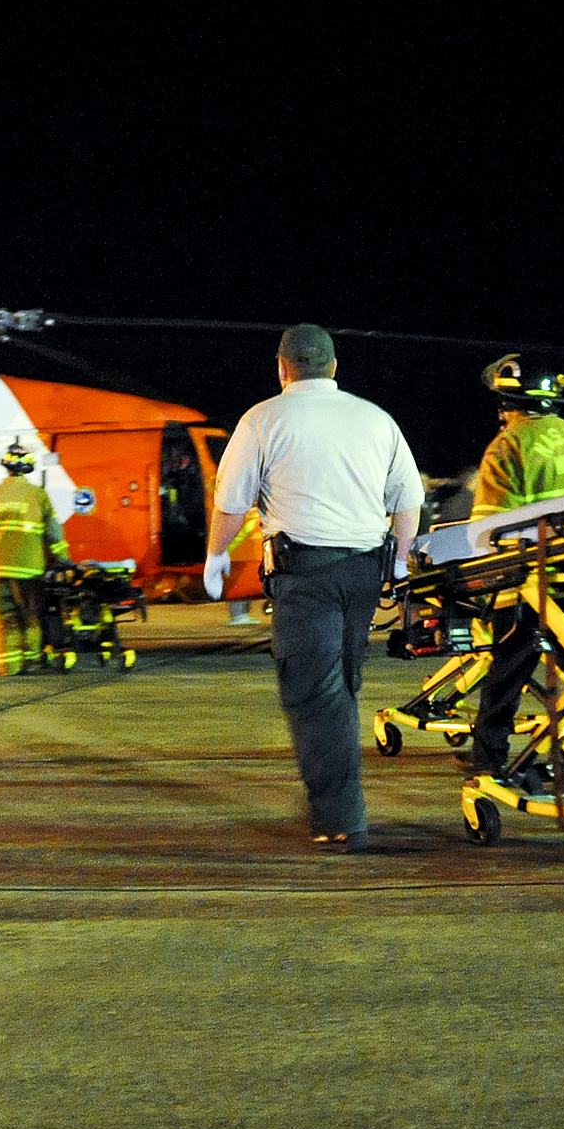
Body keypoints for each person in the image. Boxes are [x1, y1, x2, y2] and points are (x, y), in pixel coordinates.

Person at [204, 324, 424, 851]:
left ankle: (341, 818)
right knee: (341, 685)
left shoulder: (263, 419)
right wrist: (398, 561)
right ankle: (339, 800)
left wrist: (215, 556)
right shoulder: (376, 419)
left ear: (282, 368)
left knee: (313, 693)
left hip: (306, 575)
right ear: (333, 364)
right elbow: (407, 499)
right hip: (364, 573)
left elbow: (232, 501)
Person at [462, 355, 564, 776]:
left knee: (506, 676)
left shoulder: (509, 445)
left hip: (530, 585)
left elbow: (488, 529)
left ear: (506, 404)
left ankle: (488, 761)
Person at [0, 440, 69, 674]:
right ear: (28, 468)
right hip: (29, 570)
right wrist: (63, 559)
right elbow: (53, 533)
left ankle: (8, 666)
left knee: (4, 618)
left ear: (7, 467)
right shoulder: (37, 495)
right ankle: (32, 662)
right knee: (31, 617)